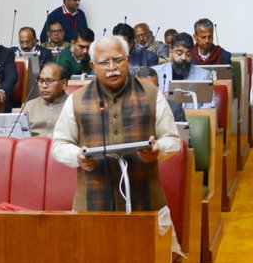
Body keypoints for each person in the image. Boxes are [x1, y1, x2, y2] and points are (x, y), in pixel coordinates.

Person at [50, 35, 182, 212]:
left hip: (147, 201)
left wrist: (159, 148)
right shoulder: (77, 100)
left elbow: (172, 139)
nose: (112, 68)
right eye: (104, 62)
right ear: (93, 66)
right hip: (91, 202)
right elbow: (59, 144)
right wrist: (77, 156)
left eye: (118, 60)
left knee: (159, 240)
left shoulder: (151, 94)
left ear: (128, 60)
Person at [151, 32, 214, 98]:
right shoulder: (155, 72)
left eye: (188, 54)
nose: (184, 58)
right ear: (171, 51)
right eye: (179, 53)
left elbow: (210, 104)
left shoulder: (204, 76)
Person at [22, 62, 69, 137]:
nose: (44, 86)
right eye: (41, 81)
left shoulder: (73, 105)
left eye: (50, 81)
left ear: (64, 84)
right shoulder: (28, 107)